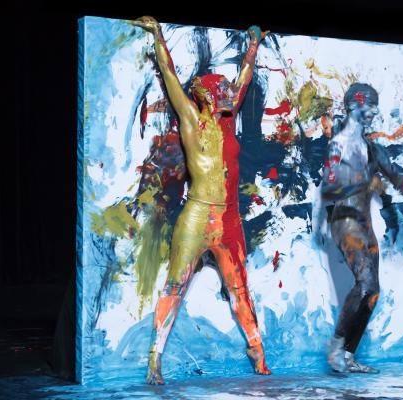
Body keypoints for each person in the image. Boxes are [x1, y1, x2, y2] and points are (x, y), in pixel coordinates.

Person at [132, 16, 271, 384]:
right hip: (197, 216)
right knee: (175, 285)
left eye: (228, 89)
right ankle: (154, 359)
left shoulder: (228, 119)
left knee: (240, 290)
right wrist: (158, 34)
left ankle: (257, 352)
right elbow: (169, 73)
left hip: (229, 219)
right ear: (207, 95)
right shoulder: (191, 119)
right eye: (221, 89)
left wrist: (253, 45)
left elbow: (244, 78)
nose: (229, 92)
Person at [322, 83, 403, 373]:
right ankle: (336, 348)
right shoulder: (338, 145)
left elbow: (395, 178)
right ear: (353, 105)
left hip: (365, 224)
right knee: (365, 285)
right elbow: (329, 189)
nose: (374, 111)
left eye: (376, 105)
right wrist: (365, 182)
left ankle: (348, 355)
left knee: (372, 293)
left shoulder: (373, 149)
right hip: (345, 221)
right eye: (369, 104)